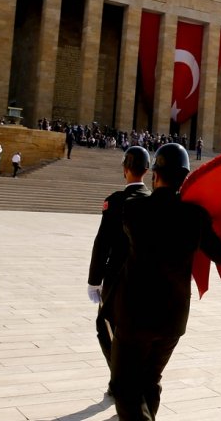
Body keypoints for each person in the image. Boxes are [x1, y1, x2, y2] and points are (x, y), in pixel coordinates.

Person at [108, 143, 221, 420]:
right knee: (150, 381)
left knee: (126, 389)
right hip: (172, 319)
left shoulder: (133, 209)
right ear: (185, 177)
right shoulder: (195, 216)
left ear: (155, 175)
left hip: (136, 315)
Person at [87, 146, 151, 397]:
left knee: (106, 328)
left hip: (115, 280)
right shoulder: (152, 201)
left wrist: (94, 281)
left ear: (125, 170)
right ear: (147, 170)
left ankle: (119, 378)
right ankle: (130, 378)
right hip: (144, 280)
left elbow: (102, 243)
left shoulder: (115, 202)